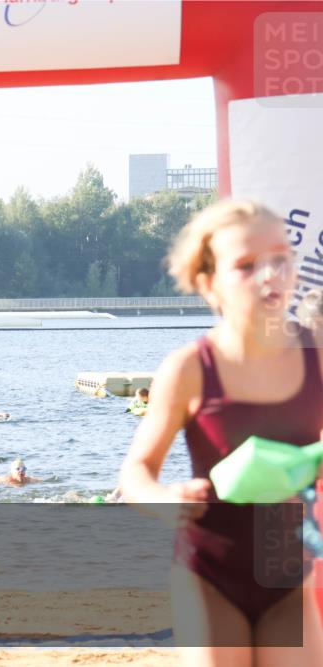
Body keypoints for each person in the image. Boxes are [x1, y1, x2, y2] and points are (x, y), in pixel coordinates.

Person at [118, 200, 323, 662]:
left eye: (279, 258)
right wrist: (165, 499)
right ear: (210, 284)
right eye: (246, 266)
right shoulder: (191, 367)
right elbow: (136, 472)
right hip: (209, 576)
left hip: (288, 576)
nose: (269, 274)